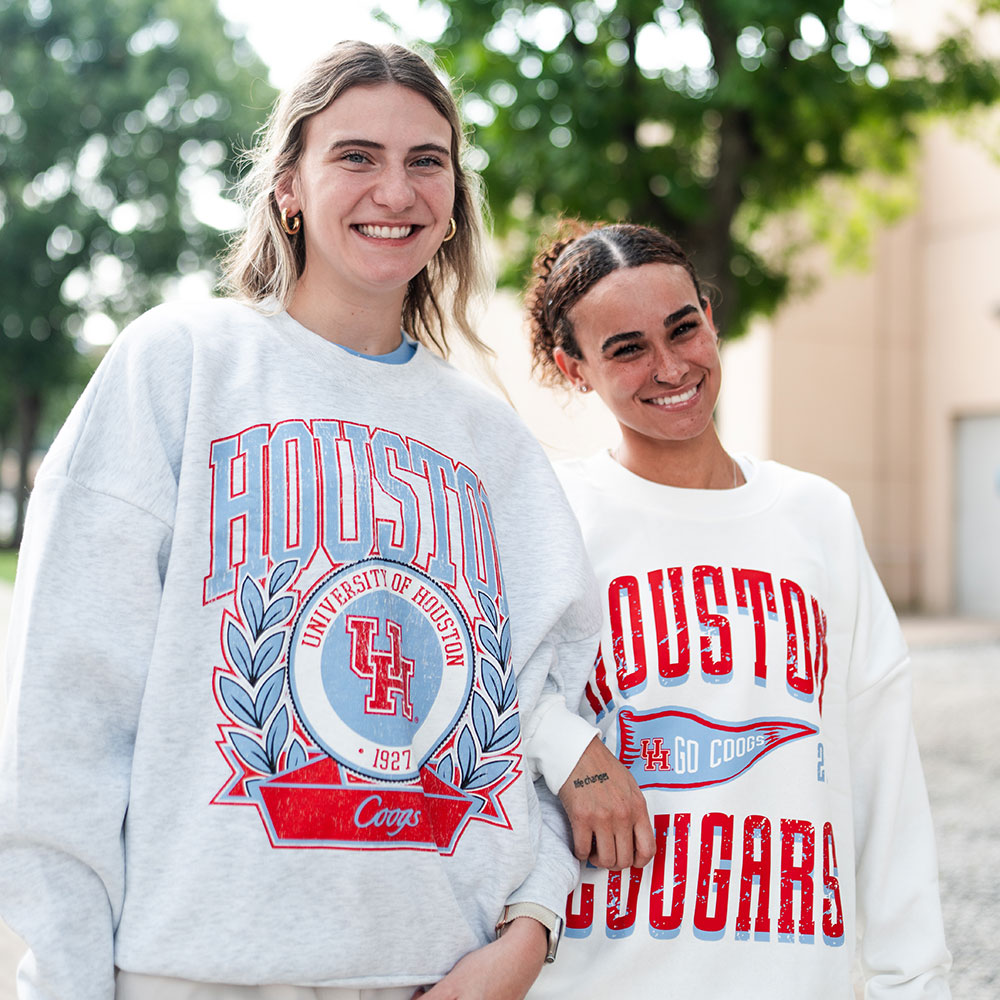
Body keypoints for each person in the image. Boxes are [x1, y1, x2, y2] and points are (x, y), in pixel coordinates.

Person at [0, 46, 651, 1000]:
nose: (396, 190)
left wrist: (530, 928)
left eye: (427, 161)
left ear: (453, 200)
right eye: (355, 156)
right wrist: (62, 980)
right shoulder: (180, 365)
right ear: (289, 186)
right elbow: (66, 714)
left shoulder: (494, 445)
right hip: (196, 973)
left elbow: (542, 702)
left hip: (438, 972)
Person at [522, 221, 952, 998]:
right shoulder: (553, 515)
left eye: (683, 328)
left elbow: (881, 759)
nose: (670, 367)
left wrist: (913, 979)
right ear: (574, 369)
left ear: (710, 319)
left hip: (792, 975)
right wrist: (569, 749)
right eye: (627, 348)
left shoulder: (815, 515)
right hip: (602, 976)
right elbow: (477, 686)